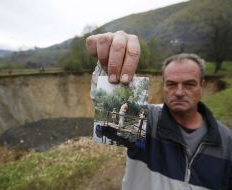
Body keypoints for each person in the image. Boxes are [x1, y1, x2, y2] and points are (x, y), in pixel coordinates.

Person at [87, 31, 232, 190]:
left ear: (202, 86)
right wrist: (108, 67)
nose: (179, 92)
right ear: (163, 85)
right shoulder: (147, 121)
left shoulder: (227, 142)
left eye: (189, 84)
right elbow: (109, 118)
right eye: (171, 84)